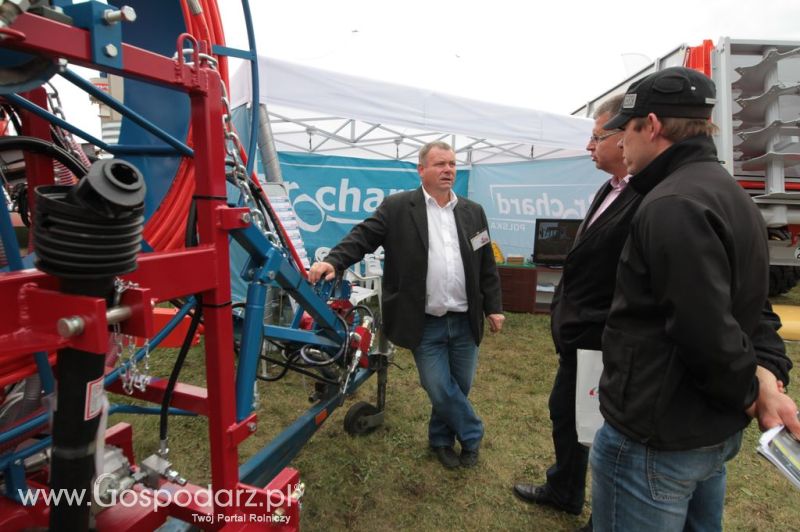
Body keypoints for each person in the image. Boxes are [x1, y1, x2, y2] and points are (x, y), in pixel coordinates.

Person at [591, 66, 800, 531]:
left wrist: (754, 393)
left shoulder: (673, 203)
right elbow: (753, 308)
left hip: (657, 438)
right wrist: (765, 377)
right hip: (703, 431)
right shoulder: (728, 193)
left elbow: (705, 330)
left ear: (653, 125)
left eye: (625, 131)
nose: (621, 144)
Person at [308, 141, 505, 469]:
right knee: (439, 387)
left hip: (464, 319)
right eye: (440, 164)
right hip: (424, 321)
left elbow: (486, 264)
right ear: (421, 170)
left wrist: (494, 307)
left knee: (459, 386)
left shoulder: (473, 212)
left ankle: (441, 440)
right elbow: (363, 237)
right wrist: (334, 261)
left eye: (452, 164)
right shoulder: (398, 207)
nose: (448, 170)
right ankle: (472, 433)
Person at [513, 94, 640, 529]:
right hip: (580, 339)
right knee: (567, 416)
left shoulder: (646, 197)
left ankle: (601, 515)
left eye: (596, 137)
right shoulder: (612, 187)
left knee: (603, 433)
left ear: (625, 137)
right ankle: (565, 489)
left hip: (604, 341)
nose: (589, 146)